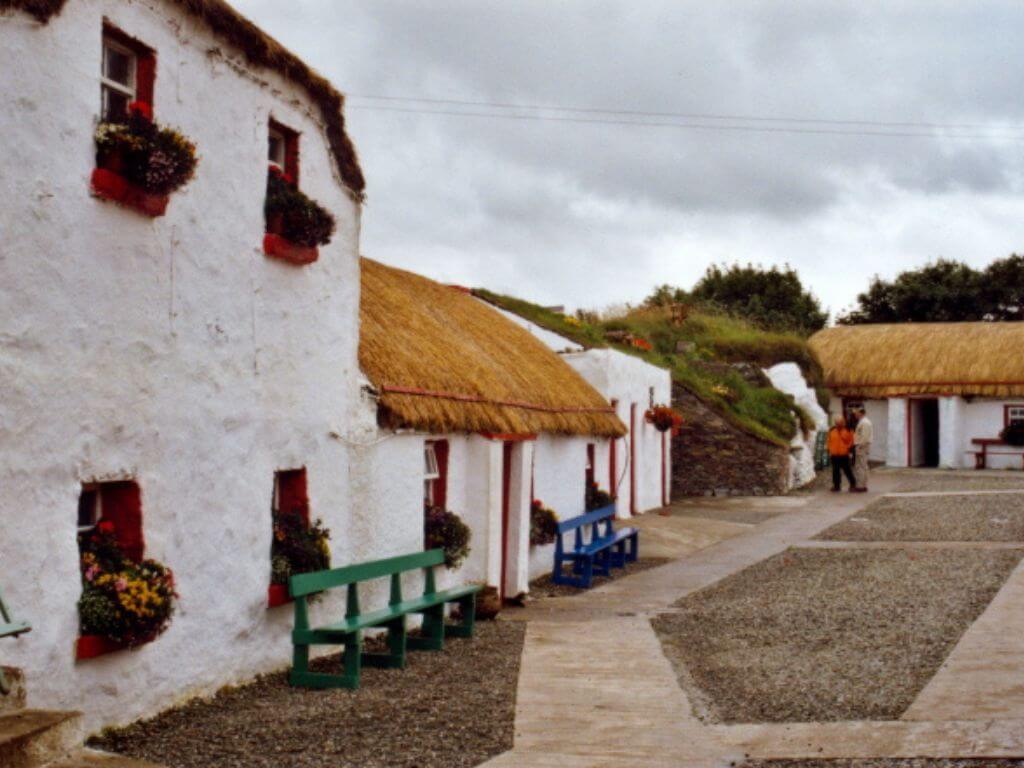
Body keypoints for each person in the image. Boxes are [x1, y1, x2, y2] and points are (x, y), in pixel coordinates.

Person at [827, 416, 856, 492]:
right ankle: (836, 486)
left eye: (839, 423)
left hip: (844, 454)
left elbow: (852, 441)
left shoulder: (848, 430)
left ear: (843, 423)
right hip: (834, 455)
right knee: (835, 471)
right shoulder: (832, 430)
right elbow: (829, 441)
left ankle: (853, 484)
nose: (838, 425)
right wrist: (829, 450)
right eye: (836, 423)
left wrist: (848, 449)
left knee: (847, 470)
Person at [852, 406, 873, 492]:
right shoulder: (864, 422)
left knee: (860, 466)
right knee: (862, 466)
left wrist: (860, 446)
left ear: (860, 413)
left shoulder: (865, 423)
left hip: (862, 446)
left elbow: (865, 436)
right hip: (862, 446)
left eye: (856, 413)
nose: (855, 415)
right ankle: (862, 485)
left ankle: (860, 486)